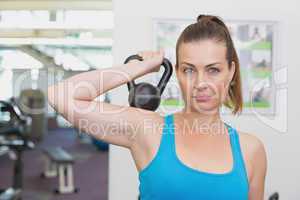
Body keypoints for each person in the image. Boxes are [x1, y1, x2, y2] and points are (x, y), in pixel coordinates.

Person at [48, 14, 267, 200]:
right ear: (177, 73)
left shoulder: (250, 150)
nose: (201, 83)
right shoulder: (148, 130)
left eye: (213, 70)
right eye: (189, 70)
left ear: (231, 71)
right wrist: (136, 68)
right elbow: (60, 96)